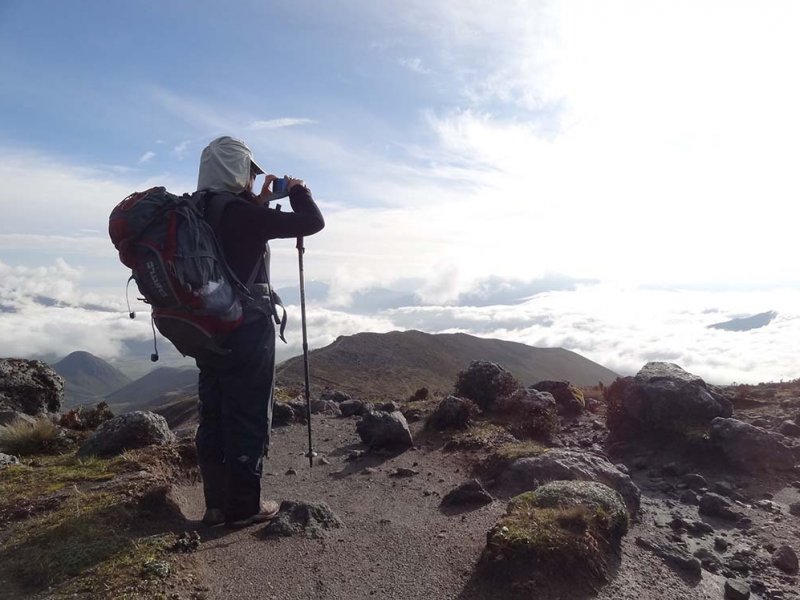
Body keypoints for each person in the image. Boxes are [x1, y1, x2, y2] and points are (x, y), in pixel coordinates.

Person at [194, 136, 324, 527]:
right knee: (248, 412)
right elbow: (312, 222)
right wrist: (299, 192)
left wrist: (258, 201)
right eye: (249, 172)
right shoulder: (242, 214)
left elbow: (229, 236)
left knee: (213, 410)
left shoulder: (197, 208)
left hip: (204, 327)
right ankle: (245, 508)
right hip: (246, 325)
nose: (253, 180)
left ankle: (215, 506)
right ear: (237, 170)